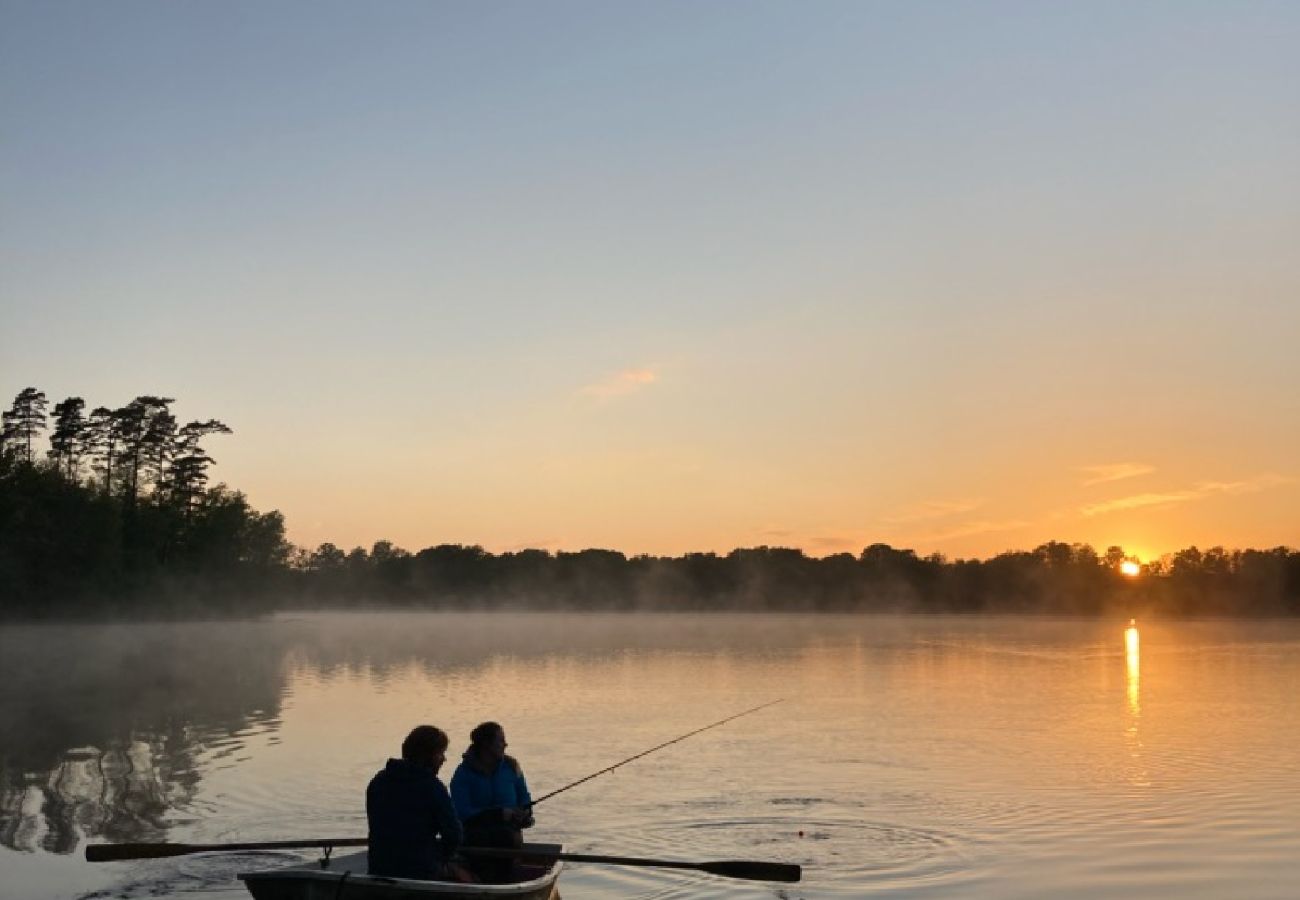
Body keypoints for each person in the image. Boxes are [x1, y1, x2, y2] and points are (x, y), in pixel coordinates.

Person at [366, 725, 469, 881]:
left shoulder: (378, 781)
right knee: (469, 876)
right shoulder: (432, 787)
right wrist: (440, 858)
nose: (444, 759)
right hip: (421, 870)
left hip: (379, 867)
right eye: (440, 753)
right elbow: (454, 834)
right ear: (427, 755)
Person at [449, 721, 534, 882]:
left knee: (506, 836)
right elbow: (461, 813)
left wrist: (525, 814)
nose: (505, 744)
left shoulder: (512, 767)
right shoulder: (463, 774)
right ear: (486, 745)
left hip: (509, 839)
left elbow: (524, 799)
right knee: (485, 838)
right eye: (501, 740)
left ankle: (506, 877)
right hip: (475, 840)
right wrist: (499, 814)